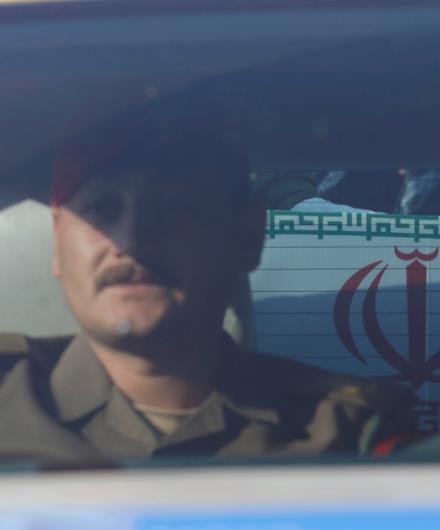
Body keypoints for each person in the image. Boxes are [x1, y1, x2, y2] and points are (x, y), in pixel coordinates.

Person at [0, 113, 415, 464]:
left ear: (247, 237)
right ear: (58, 244)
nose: (132, 242)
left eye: (174, 208)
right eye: (100, 208)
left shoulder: (351, 434)